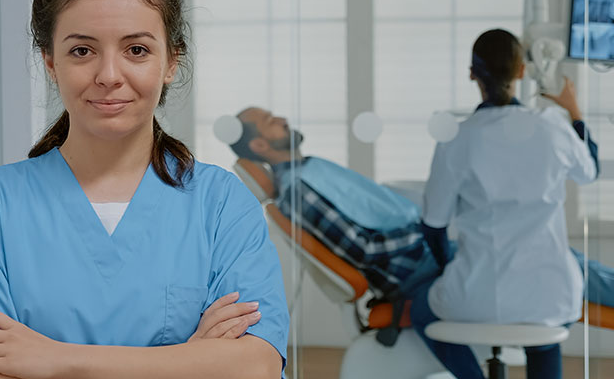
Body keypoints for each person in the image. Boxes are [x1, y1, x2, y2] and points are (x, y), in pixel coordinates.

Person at [0, 0, 289, 379]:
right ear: (50, 62)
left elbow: (255, 378)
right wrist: (188, 370)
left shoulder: (222, 204)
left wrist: (59, 360)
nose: (109, 75)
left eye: (136, 49)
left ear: (171, 61)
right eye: (82, 50)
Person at [227, 107, 614, 311]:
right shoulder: (299, 191)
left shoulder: (308, 169)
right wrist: (431, 231)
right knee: (559, 260)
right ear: (260, 147)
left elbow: (373, 204)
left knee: (558, 259)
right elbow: (367, 251)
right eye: (269, 122)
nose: (281, 119)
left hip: (424, 252)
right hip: (416, 267)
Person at [410, 28, 598, 379]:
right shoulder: (551, 125)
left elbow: (433, 226)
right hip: (548, 293)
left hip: (474, 293)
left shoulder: (456, 139)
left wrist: (448, 268)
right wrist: (575, 111)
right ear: (523, 70)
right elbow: (590, 170)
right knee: (544, 344)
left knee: (419, 307)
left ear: (471, 75)